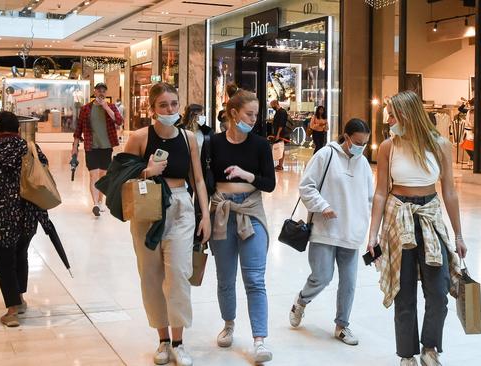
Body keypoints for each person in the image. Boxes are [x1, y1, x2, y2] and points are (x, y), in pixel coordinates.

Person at [367, 90, 467, 366]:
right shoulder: (389, 146)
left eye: (392, 115)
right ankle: (407, 354)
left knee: (438, 291)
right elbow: (379, 193)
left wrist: (458, 235)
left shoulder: (440, 145)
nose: (388, 120)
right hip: (398, 216)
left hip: (431, 217)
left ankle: (430, 348)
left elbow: (449, 193)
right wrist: (372, 234)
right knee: (404, 292)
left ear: (407, 116)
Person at [123, 83, 211, 366]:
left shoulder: (189, 139)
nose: (170, 110)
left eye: (174, 104)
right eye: (163, 105)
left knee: (178, 275)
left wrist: (205, 215)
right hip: (147, 209)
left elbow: (197, 179)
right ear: (153, 109)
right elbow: (120, 179)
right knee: (151, 275)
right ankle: (162, 340)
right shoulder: (138, 138)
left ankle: (179, 341)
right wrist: (146, 171)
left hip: (181, 206)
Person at [289, 118, 373, 346]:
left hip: (351, 233)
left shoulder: (363, 164)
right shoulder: (326, 155)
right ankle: (302, 300)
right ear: (346, 137)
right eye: (357, 142)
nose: (360, 147)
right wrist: (323, 205)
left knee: (349, 282)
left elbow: (370, 198)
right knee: (322, 276)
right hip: (325, 230)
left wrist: (366, 228)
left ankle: (342, 325)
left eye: (364, 143)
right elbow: (306, 186)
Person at [208, 89, 276, 363]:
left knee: (255, 279)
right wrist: (203, 217)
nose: (254, 119)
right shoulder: (213, 143)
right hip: (221, 212)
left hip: (251, 211)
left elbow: (269, 184)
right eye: (250, 113)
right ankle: (229, 324)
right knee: (225, 278)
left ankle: (260, 340)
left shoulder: (260, 145)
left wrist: (246, 174)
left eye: (257, 114)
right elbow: (206, 182)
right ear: (233, 113)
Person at [0, 111, 49, 327]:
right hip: (28, 213)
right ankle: (19, 299)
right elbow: (44, 173)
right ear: (19, 129)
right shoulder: (30, 149)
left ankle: (12, 310)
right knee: (21, 255)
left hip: (0, 215)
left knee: (5, 262)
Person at [72, 82, 123, 217]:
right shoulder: (86, 109)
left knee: (103, 176)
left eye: (103, 91)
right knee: (93, 174)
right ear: (94, 92)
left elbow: (119, 121)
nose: (101, 92)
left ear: (106, 93)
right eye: (99, 90)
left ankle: (100, 202)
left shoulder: (111, 107)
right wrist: (74, 147)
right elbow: (78, 129)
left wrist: (106, 107)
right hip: (91, 146)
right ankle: (95, 204)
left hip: (106, 147)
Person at [269, 100, 289, 171]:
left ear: (276, 104)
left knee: (281, 148)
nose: (272, 107)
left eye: (272, 105)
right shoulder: (278, 112)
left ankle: (280, 165)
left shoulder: (282, 112)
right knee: (280, 148)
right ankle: (279, 165)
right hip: (278, 132)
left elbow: (281, 124)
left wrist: (278, 134)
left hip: (281, 133)